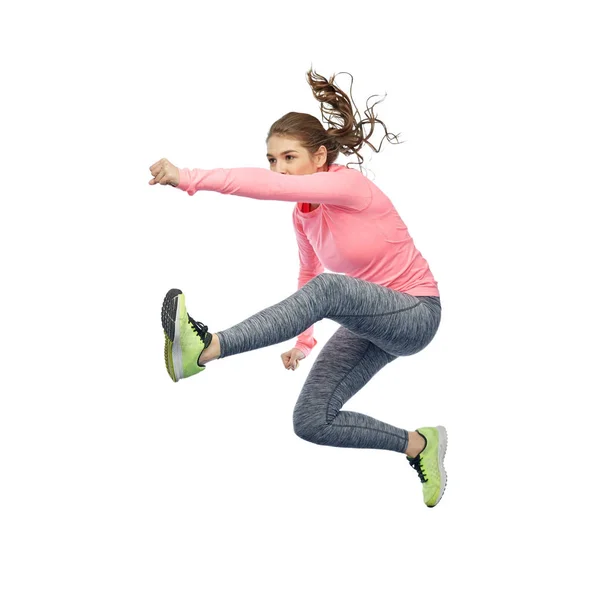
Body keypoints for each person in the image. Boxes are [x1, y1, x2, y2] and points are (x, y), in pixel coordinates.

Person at [148, 68, 447, 508]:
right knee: (311, 421)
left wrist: (188, 176)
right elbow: (307, 279)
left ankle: (207, 349)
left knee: (332, 289)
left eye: (289, 158)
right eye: (272, 160)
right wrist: (303, 344)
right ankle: (421, 446)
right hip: (370, 323)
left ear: (320, 158)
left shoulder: (349, 185)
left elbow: (318, 282)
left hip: (417, 312)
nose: (279, 170)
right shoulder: (303, 216)